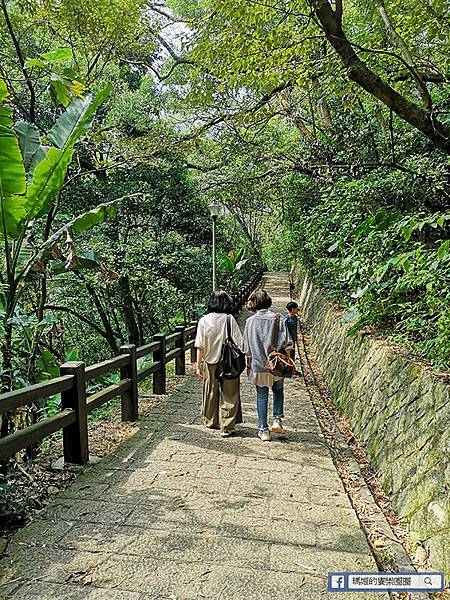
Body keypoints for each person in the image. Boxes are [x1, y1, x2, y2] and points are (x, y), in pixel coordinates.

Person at [243, 290, 293, 442]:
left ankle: (263, 430)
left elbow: (247, 347)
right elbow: (288, 343)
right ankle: (277, 419)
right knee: (278, 390)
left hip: (259, 365)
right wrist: (289, 362)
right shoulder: (279, 318)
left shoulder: (249, 322)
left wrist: (249, 364)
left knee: (261, 396)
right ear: (268, 301)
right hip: (277, 364)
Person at [195, 291, 243, 438]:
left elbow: (200, 345)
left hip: (210, 362)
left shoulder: (203, 320)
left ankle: (211, 421)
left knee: (210, 390)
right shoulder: (229, 319)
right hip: (228, 362)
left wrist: (198, 366)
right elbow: (240, 343)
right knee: (230, 393)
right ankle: (227, 427)